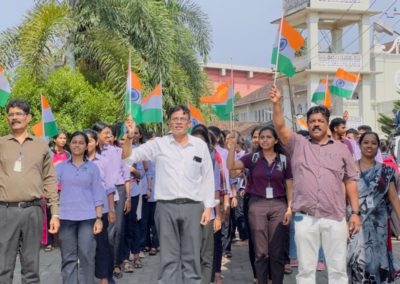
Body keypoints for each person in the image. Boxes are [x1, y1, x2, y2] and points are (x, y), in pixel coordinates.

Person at [270, 85, 361, 283]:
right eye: (312, 121)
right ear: (307, 125)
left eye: (320, 121)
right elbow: (280, 128)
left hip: (335, 218)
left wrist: (355, 213)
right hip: (305, 218)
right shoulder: (298, 144)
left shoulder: (341, 149)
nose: (316, 124)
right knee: (305, 271)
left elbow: (350, 181)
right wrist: (277, 104)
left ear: (327, 124)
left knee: (337, 270)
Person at [122, 105, 215, 284]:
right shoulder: (159, 144)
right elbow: (128, 158)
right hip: (165, 208)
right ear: (169, 123)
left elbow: (208, 178)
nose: (178, 122)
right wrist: (129, 135)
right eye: (175, 119)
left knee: (192, 258)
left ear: (188, 123)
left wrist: (208, 207)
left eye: (182, 119)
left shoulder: (199, 145)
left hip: (193, 207)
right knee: (168, 259)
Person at [0, 99, 59, 283]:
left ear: (28, 118)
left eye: (18, 114)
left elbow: (49, 179)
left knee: (31, 267)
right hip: (5, 211)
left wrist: (55, 213)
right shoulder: (1, 143)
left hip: (33, 211)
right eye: (10, 114)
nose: (14, 118)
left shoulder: (41, 145)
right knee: (3, 266)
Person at [227, 126, 293, 284]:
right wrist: (231, 147)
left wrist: (290, 208)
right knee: (260, 252)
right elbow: (231, 167)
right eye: (262, 137)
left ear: (276, 140)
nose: (264, 140)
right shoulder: (253, 158)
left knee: (277, 252)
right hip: (257, 205)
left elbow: (290, 185)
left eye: (268, 137)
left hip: (279, 205)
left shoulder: (284, 160)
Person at [347, 132, 400, 283]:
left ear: (378, 147)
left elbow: (394, 198)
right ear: (359, 145)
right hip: (356, 220)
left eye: (373, 143)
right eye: (366, 142)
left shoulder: (386, 171)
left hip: (379, 224)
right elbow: (344, 197)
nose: (369, 146)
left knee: (378, 261)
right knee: (357, 259)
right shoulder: (350, 169)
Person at [57, 131, 104, 284]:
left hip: (88, 218)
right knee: (68, 257)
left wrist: (98, 218)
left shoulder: (92, 168)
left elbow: (98, 193)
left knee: (86, 255)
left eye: (81, 142)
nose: (77, 145)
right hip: (65, 218)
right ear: (69, 145)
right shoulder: (61, 167)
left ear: (86, 146)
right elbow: (50, 190)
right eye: (74, 142)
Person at [191, 124, 223, 284]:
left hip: (207, 213)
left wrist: (217, 216)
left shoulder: (211, 158)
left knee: (206, 254)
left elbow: (216, 188)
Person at [43, 130, 70, 252]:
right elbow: (43, 169)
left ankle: (60, 240)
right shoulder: (48, 153)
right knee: (50, 214)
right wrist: (55, 165)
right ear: (54, 139)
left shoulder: (68, 154)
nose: (63, 140)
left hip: (65, 188)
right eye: (60, 138)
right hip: (51, 188)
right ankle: (48, 242)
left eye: (65, 138)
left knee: (63, 214)